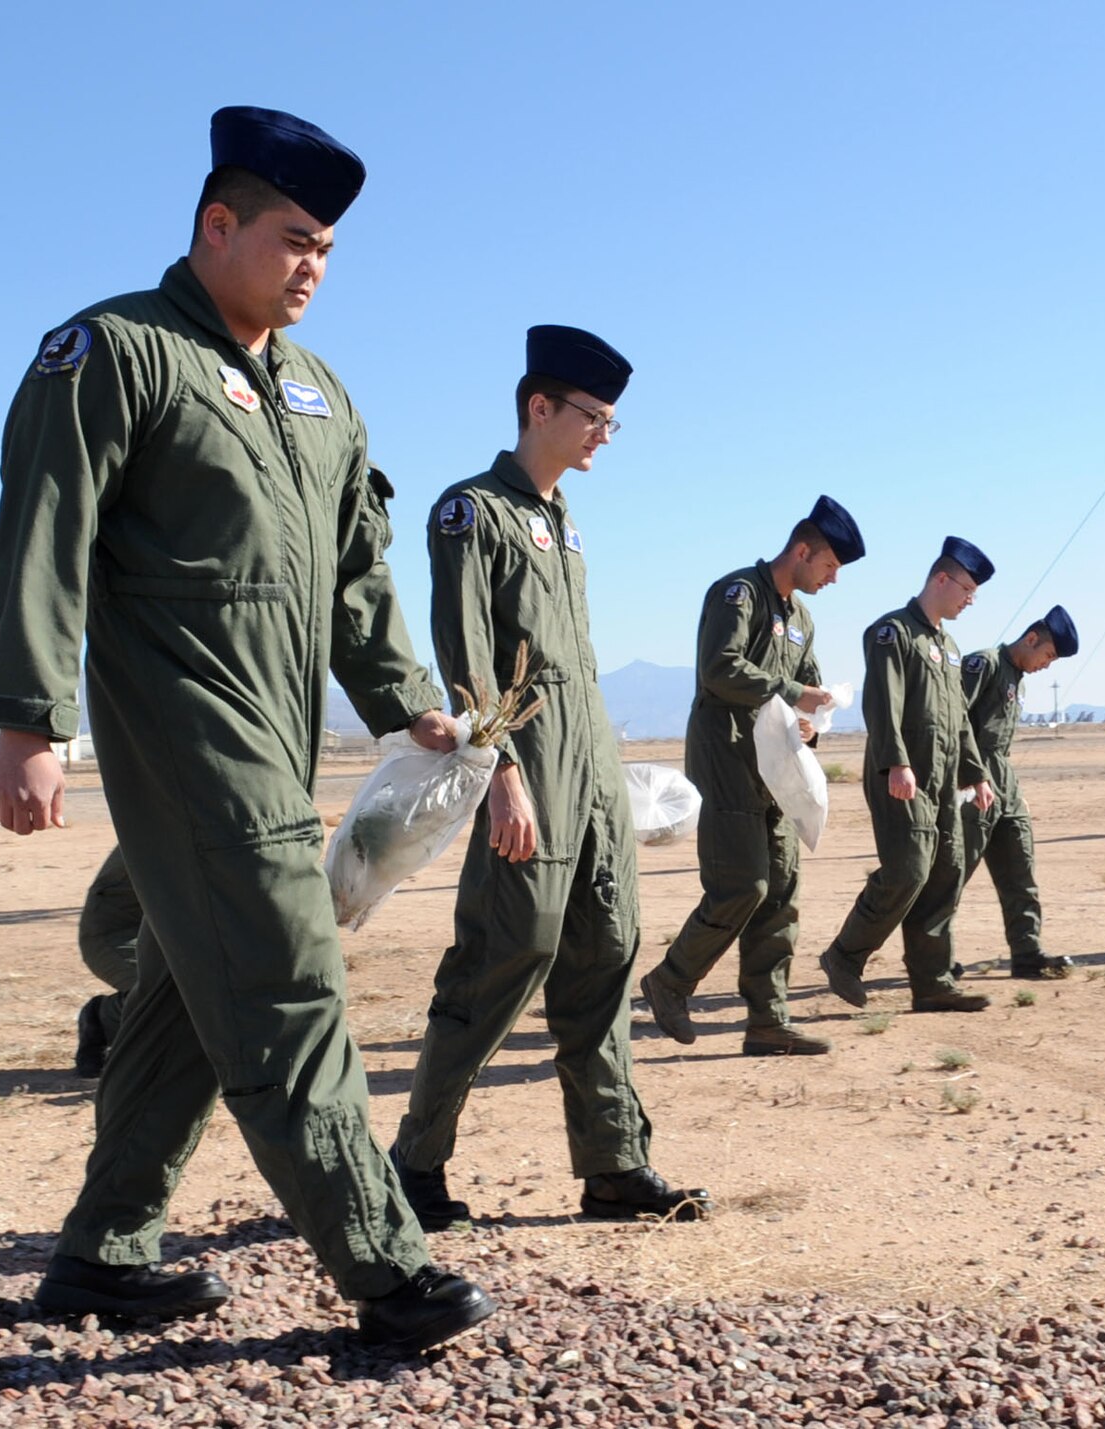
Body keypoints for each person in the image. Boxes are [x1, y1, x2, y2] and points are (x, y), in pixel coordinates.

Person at [0, 105, 492, 1355]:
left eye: (327, 249)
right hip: (183, 725)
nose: (313, 266)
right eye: (293, 239)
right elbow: (44, 533)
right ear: (217, 225)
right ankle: (386, 1271)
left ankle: (104, 1252)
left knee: (184, 990)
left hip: (281, 730)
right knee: (281, 973)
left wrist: (404, 698)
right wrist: (29, 721)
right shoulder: (116, 351)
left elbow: (357, 568)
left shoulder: (319, 393)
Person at [390, 325, 710, 1231]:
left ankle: (614, 1164)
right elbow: (468, 655)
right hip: (527, 764)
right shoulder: (472, 512)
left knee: (606, 951)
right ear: (541, 407)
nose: (605, 434)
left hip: (593, 766)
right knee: (507, 952)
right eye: (594, 416)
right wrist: (501, 772)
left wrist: (611, 778)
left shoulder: (563, 522)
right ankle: (413, 1162)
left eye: (613, 421)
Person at [640, 497, 866, 1055]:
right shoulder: (738, 593)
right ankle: (670, 981)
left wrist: (812, 722)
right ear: (802, 551)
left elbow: (808, 690)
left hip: (778, 770)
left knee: (781, 894)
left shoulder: (802, 620)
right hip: (727, 759)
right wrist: (793, 693)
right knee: (743, 886)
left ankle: (768, 1022)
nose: (833, 579)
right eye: (830, 566)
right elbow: (719, 667)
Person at [818, 537, 999, 1014]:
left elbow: (959, 720)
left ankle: (933, 983)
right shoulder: (892, 633)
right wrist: (896, 763)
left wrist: (976, 773)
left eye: (974, 594)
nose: (970, 600)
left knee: (945, 872)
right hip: (903, 775)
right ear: (941, 579)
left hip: (942, 780)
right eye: (967, 590)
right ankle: (845, 955)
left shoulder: (949, 647)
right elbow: (883, 704)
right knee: (909, 870)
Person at [958, 606, 1080, 980]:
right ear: (1031, 638)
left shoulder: (1019, 681)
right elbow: (954, 721)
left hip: (1004, 784)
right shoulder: (984, 664)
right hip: (971, 780)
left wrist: (1010, 789)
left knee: (1020, 871)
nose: (1046, 665)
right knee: (952, 875)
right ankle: (932, 959)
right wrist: (971, 776)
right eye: (1048, 655)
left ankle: (1027, 954)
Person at [73, 847, 141, 1078]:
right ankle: (102, 1020)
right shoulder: (175, 827)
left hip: (168, 935)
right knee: (181, 997)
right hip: (118, 934)